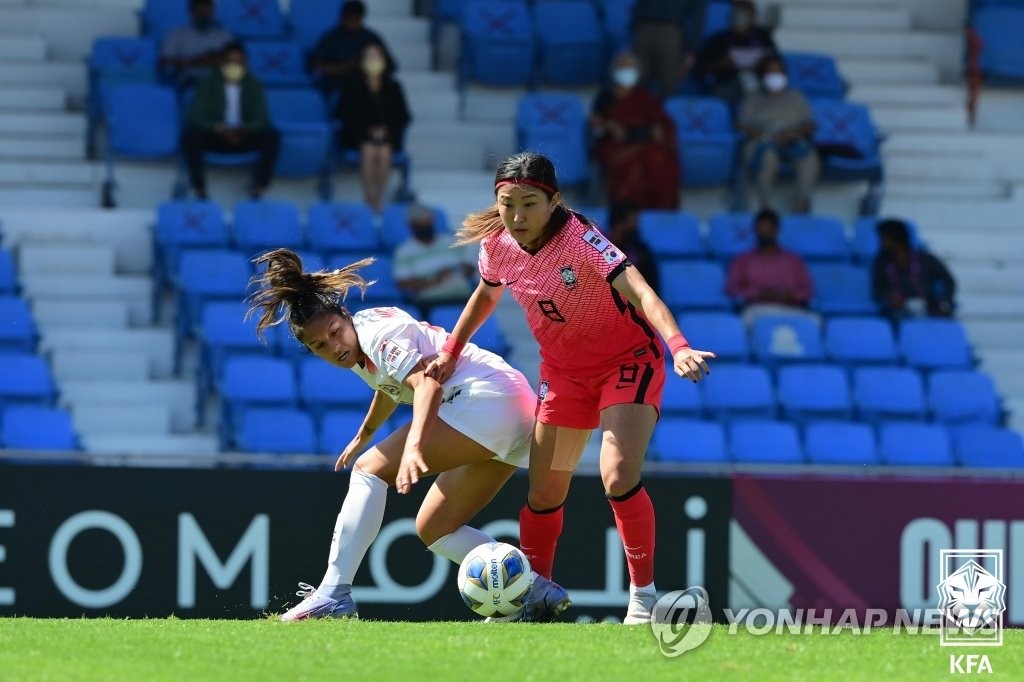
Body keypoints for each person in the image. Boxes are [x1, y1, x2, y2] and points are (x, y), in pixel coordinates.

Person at [424, 152, 715, 625]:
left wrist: (678, 346)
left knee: (617, 477)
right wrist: (452, 350)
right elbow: (485, 294)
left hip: (627, 365)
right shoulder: (497, 245)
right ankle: (532, 602)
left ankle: (644, 601)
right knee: (545, 492)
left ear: (554, 200)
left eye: (530, 203)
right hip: (565, 377)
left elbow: (641, 292)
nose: (517, 216)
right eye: (507, 204)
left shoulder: (583, 242)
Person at [246, 248, 570, 622]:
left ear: (344, 317)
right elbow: (388, 386)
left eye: (335, 333)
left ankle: (333, 594)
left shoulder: (378, 338)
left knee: (369, 471)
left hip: (487, 399)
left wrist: (415, 445)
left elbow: (426, 387)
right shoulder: (358, 340)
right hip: (510, 407)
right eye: (319, 346)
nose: (334, 347)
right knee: (435, 528)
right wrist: (364, 433)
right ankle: (533, 591)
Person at [181, 42, 280, 199]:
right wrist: (219, 128)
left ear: (245, 63)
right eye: (230, 61)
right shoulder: (207, 84)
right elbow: (195, 116)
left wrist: (245, 128)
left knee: (272, 136)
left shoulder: (254, 85)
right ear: (222, 62)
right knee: (190, 135)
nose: (234, 65)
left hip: (243, 135)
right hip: (216, 135)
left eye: (239, 61)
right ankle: (199, 189)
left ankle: (259, 187)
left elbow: (262, 118)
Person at [590, 51, 681, 210]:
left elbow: (660, 124)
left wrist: (655, 128)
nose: (626, 71)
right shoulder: (605, 96)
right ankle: (626, 211)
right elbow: (595, 124)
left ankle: (660, 210)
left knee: (661, 159)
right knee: (630, 165)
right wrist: (609, 125)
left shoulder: (644, 96)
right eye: (622, 66)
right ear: (614, 71)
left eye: (630, 67)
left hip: (645, 143)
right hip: (615, 145)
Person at [335, 43, 412, 214]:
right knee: (369, 151)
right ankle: (368, 195)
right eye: (369, 57)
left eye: (376, 56)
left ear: (384, 60)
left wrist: (386, 130)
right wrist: (368, 131)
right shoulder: (352, 85)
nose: (373, 60)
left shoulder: (394, 87)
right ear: (362, 61)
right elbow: (345, 114)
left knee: (384, 153)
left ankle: (379, 196)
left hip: (388, 136)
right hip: (358, 135)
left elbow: (403, 116)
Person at [737, 54, 820, 213]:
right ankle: (765, 207)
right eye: (770, 72)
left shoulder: (796, 97)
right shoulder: (753, 98)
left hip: (791, 140)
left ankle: (801, 204)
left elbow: (810, 124)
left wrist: (793, 134)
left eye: (779, 72)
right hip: (762, 141)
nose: (775, 76)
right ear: (762, 75)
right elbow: (743, 125)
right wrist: (767, 136)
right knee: (768, 156)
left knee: (809, 157)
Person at [725, 209, 816, 327]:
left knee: (815, 322)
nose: (765, 232)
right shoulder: (743, 261)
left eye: (769, 228)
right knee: (743, 322)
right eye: (761, 228)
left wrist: (789, 295)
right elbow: (732, 290)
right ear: (755, 230)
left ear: (777, 229)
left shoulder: (794, 261)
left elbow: (807, 291)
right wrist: (759, 293)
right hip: (757, 309)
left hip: (791, 308)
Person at [393, 204, 476, 316]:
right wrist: (435, 280)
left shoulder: (452, 242)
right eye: (420, 223)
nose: (425, 226)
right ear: (412, 226)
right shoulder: (404, 251)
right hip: (429, 303)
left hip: (462, 297)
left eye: (427, 221)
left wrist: (457, 270)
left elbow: (470, 269)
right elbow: (402, 283)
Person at [694, 0, 778, 108]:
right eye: (739, 13)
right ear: (731, 15)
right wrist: (720, 64)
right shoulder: (718, 41)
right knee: (719, 96)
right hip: (728, 83)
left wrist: (765, 64)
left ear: (754, 17)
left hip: (759, 83)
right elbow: (699, 72)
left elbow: (779, 66)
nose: (742, 18)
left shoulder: (763, 38)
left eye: (748, 14)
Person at [872, 218, 956, 322]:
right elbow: (877, 290)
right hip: (898, 312)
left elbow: (948, 281)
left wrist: (943, 302)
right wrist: (889, 296)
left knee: (945, 320)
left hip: (929, 308)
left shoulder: (926, 259)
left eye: (884, 238)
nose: (881, 242)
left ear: (895, 238)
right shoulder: (881, 263)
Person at [310, 0, 397, 99]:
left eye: (356, 18)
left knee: (393, 88)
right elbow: (316, 64)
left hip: (367, 81)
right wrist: (341, 68)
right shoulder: (331, 38)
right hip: (341, 82)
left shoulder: (371, 38)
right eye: (350, 18)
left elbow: (390, 66)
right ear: (342, 18)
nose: (353, 22)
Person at [630, 0, 706, 98]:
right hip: (667, 31)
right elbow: (698, 15)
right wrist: (692, 49)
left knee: (642, 83)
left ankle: (647, 110)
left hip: (646, 29)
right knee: (667, 86)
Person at [160, 0, 236, 89]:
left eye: (206, 12)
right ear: (191, 12)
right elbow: (164, 62)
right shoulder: (177, 35)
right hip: (188, 83)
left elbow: (235, 61)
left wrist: (210, 60)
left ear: (212, 12)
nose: (203, 16)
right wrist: (197, 61)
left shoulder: (224, 36)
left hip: (219, 83)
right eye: (199, 12)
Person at [607, 202, 660, 294]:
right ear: (619, 224)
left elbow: (651, 288)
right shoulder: (599, 249)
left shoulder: (642, 252)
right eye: (633, 222)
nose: (636, 227)